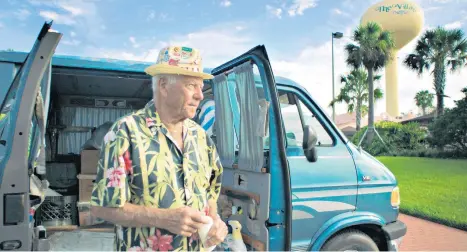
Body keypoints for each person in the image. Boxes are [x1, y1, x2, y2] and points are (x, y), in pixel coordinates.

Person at [90, 46, 228, 251]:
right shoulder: (126, 131)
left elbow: (210, 192)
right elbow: (102, 206)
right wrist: (163, 218)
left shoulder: (200, 137)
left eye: (201, 86)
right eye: (191, 85)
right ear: (163, 85)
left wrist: (216, 221)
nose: (200, 95)